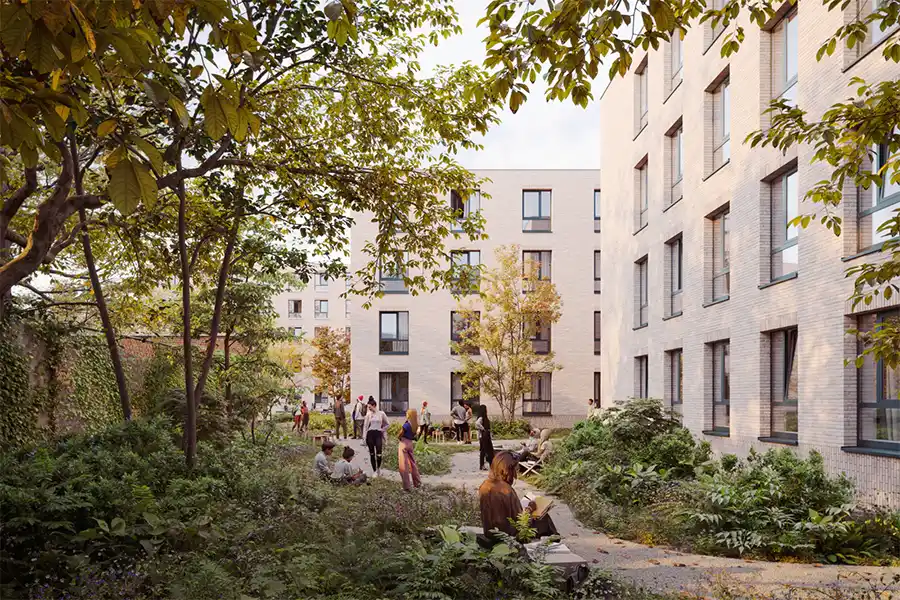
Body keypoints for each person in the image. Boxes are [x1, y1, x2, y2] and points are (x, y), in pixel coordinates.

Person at [478, 452, 558, 545]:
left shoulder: (484, 485)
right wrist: (530, 509)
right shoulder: (506, 490)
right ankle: (555, 541)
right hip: (509, 535)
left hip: (490, 533)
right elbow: (521, 522)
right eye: (514, 470)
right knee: (544, 518)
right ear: (508, 470)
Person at [363, 397, 389, 477]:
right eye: (368, 407)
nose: (369, 408)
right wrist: (364, 438)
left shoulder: (381, 413)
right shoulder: (368, 414)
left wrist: (382, 430)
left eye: (370, 407)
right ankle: (374, 470)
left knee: (379, 453)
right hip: (370, 434)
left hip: (378, 434)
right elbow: (365, 427)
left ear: (374, 405)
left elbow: (387, 424)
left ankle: (378, 468)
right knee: (372, 454)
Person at [397, 409, 422, 491]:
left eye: (407, 413)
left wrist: (399, 437)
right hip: (410, 444)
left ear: (409, 415)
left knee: (403, 465)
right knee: (412, 464)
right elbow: (416, 436)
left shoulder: (406, 425)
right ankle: (417, 483)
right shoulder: (416, 425)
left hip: (404, 443)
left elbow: (401, 433)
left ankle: (406, 486)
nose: (406, 414)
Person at [475, 404, 495, 470]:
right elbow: (477, 423)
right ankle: (485, 465)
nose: (487, 410)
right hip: (484, 436)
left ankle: (487, 464)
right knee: (486, 450)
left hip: (485, 435)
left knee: (486, 450)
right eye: (486, 409)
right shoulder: (481, 417)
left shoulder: (484, 417)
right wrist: (483, 428)